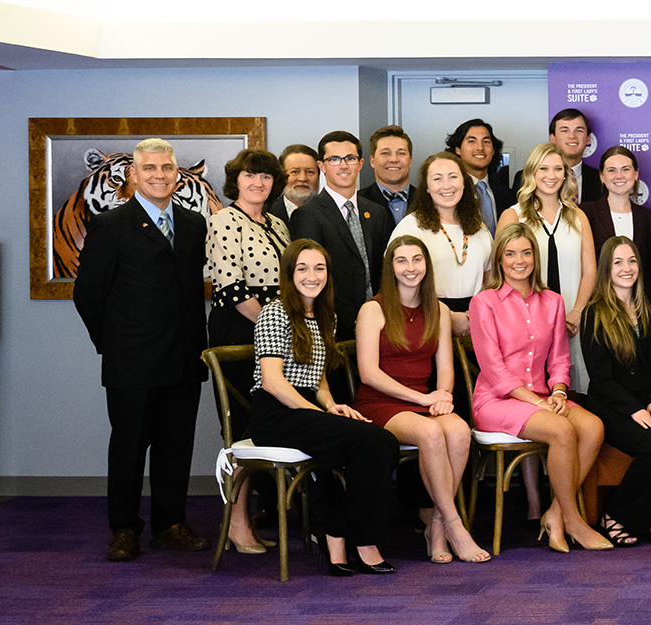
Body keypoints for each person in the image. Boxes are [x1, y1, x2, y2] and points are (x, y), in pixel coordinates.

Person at [73, 137, 210, 561]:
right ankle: (124, 529)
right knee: (130, 447)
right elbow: (88, 296)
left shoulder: (192, 224)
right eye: (149, 168)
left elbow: (188, 293)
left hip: (184, 359)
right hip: (132, 362)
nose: (159, 175)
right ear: (134, 174)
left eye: (166, 168)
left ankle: (170, 524)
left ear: (176, 172)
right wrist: (113, 346)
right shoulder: (111, 226)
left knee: (176, 447)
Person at [250, 239, 403, 576]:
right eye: (302, 268)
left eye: (319, 268)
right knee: (372, 442)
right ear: (289, 274)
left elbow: (316, 376)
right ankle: (363, 542)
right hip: (275, 412)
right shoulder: (275, 312)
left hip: (303, 407)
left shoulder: (323, 315)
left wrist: (333, 406)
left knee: (385, 441)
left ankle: (336, 532)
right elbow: (274, 382)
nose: (312, 276)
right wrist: (315, 413)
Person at [469, 224, 612, 553]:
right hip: (497, 401)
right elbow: (494, 370)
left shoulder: (553, 301)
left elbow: (560, 359)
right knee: (563, 431)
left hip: (544, 399)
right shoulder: (484, 302)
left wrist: (559, 392)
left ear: (535, 256)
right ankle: (574, 521)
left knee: (592, 427)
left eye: (526, 252)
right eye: (510, 254)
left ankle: (555, 514)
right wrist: (538, 402)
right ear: (500, 260)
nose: (519, 260)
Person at [353, 235, 488, 564]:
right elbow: (369, 374)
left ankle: (437, 526)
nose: (410, 268)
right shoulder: (374, 309)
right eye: (402, 261)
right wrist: (425, 398)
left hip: (424, 399)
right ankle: (455, 525)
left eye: (417, 260)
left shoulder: (439, 310)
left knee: (457, 431)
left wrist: (442, 395)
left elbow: (445, 367)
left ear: (427, 265)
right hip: (381, 401)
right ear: (391, 267)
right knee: (430, 433)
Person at [580, 236, 651, 547]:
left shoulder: (648, 310)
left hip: (644, 401)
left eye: (632, 261)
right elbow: (601, 379)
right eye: (618, 262)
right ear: (606, 269)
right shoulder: (594, 314)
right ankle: (617, 515)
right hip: (612, 405)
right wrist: (635, 409)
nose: (627, 268)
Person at [497, 142, 598, 393]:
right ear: (532, 172)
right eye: (543, 169)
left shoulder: (578, 216)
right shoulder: (513, 216)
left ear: (566, 174)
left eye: (557, 169)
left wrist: (577, 312)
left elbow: (590, 271)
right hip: (524, 323)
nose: (550, 176)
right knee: (530, 387)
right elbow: (502, 272)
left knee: (572, 389)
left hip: (573, 322)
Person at [208, 149, 293, 429]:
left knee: (275, 417)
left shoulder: (278, 225)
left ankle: (275, 475)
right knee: (244, 420)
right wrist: (276, 328)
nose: (258, 182)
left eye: (266, 176)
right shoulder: (223, 220)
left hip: (276, 329)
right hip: (239, 328)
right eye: (250, 175)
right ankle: (242, 474)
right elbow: (232, 288)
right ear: (236, 180)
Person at [290, 131, 392, 341]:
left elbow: (384, 269)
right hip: (332, 327)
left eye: (350, 158)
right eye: (334, 159)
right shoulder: (307, 215)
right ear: (321, 166)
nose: (343, 165)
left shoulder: (377, 212)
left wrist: (376, 314)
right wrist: (350, 321)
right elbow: (311, 278)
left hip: (379, 323)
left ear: (361, 163)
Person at [390, 152, 492, 336]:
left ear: (464, 182)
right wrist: (449, 316)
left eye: (453, 177)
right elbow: (396, 284)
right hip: (427, 317)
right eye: (437, 179)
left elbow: (491, 281)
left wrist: (480, 314)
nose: (446, 186)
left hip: (477, 321)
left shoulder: (480, 228)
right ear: (427, 187)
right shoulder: (411, 227)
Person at [579, 146, 651, 303]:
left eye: (625, 169)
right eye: (611, 170)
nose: (619, 176)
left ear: (635, 174)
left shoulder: (649, 218)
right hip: (597, 305)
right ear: (602, 176)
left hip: (638, 307)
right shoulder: (585, 213)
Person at [497, 109, 602, 203]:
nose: (572, 136)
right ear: (553, 138)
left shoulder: (600, 178)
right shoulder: (525, 177)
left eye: (579, 130)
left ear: (588, 138)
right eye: (564, 131)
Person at [445, 118, 515, 224]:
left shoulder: (507, 194)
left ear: (493, 150)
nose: (480, 147)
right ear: (457, 149)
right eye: (472, 141)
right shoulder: (448, 192)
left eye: (486, 141)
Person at [359, 125, 417, 224]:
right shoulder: (357, 202)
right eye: (385, 153)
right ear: (372, 161)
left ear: (410, 160)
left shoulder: (429, 200)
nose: (394, 159)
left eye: (401, 153)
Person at [277, 144, 320, 220]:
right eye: (295, 172)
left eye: (310, 172)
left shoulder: (333, 214)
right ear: (282, 176)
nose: (302, 178)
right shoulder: (264, 212)